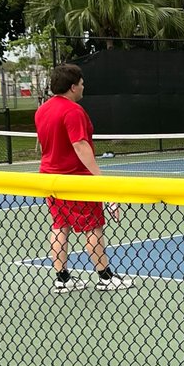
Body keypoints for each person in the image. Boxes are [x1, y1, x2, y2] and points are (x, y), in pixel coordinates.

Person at [34, 63, 132, 293]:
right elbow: (80, 145)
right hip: (76, 180)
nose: (83, 86)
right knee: (93, 227)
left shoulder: (42, 110)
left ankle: (62, 278)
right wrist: (100, 180)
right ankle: (105, 277)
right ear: (72, 87)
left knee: (60, 226)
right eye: (81, 83)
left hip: (49, 178)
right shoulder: (73, 111)